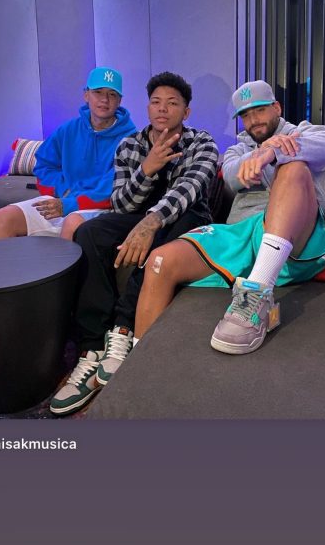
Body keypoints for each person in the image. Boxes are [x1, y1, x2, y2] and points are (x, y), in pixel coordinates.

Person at [49, 71, 219, 415]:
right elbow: (121, 204)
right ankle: (92, 348)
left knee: (179, 224)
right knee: (90, 232)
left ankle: (123, 327)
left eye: (172, 103)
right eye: (156, 102)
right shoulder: (130, 145)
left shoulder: (202, 142)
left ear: (186, 111)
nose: (162, 109)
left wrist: (150, 222)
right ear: (147, 107)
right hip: (137, 216)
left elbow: (188, 191)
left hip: (187, 220)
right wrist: (147, 169)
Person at [134, 79, 325, 355]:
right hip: (243, 235)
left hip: (299, 237)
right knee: (160, 261)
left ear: (277, 107)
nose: (253, 121)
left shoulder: (304, 131)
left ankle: (257, 292)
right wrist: (259, 154)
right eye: (246, 115)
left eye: (260, 110)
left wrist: (274, 151)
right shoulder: (238, 149)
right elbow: (232, 176)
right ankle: (140, 362)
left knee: (293, 167)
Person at [0, 67, 136, 240]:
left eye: (112, 94)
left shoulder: (131, 138)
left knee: (72, 224)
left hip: (100, 208)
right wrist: (63, 190)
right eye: (98, 92)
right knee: (2, 218)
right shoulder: (68, 129)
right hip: (64, 200)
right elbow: (44, 165)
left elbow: (114, 188)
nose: (105, 99)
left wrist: (70, 203)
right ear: (86, 95)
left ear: (119, 101)